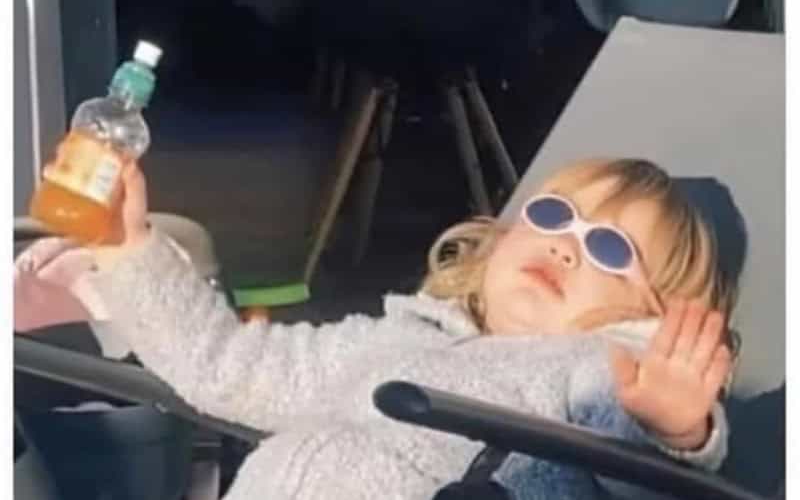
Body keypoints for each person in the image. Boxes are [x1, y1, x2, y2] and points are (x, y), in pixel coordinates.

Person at [18, 157, 737, 500]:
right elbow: (227, 364)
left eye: (610, 249)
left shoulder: (598, 368)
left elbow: (639, 476)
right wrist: (127, 247)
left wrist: (672, 429)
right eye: (553, 215)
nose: (566, 246)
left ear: (652, 313)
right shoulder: (393, 338)